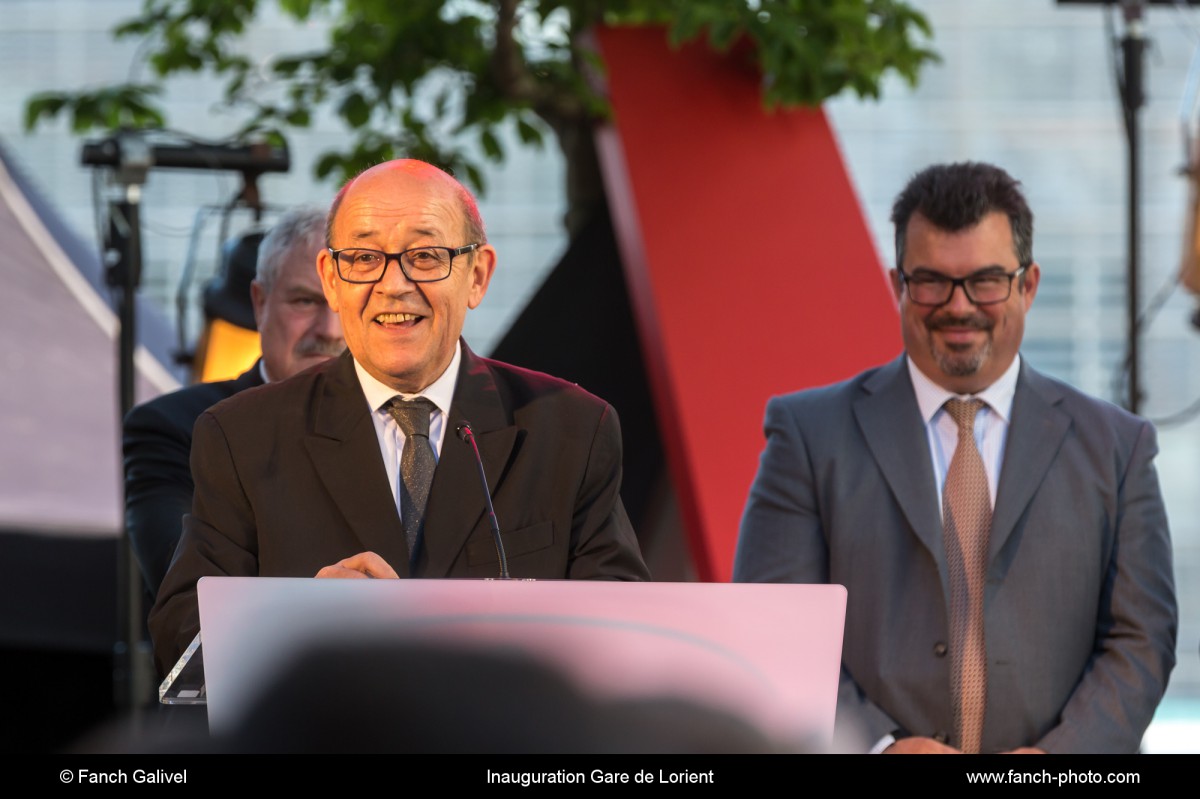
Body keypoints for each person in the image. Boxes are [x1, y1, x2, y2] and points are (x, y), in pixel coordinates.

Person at [733, 162, 1177, 754]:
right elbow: (773, 629)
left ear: (1030, 284)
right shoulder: (808, 437)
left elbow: (1142, 640)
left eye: (986, 280)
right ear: (898, 284)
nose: (958, 306)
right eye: (932, 281)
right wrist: (880, 747)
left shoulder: (1118, 448)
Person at [148, 159, 649, 676]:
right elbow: (180, 636)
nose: (393, 284)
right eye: (364, 258)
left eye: (425, 256)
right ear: (333, 279)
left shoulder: (569, 430)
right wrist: (293, 618)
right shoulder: (242, 435)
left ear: (476, 276)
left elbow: (627, 634)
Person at [123, 207, 344, 600]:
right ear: (260, 303)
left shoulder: (410, 427)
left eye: (344, 306)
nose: (329, 330)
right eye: (305, 301)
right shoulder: (173, 427)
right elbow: (195, 592)